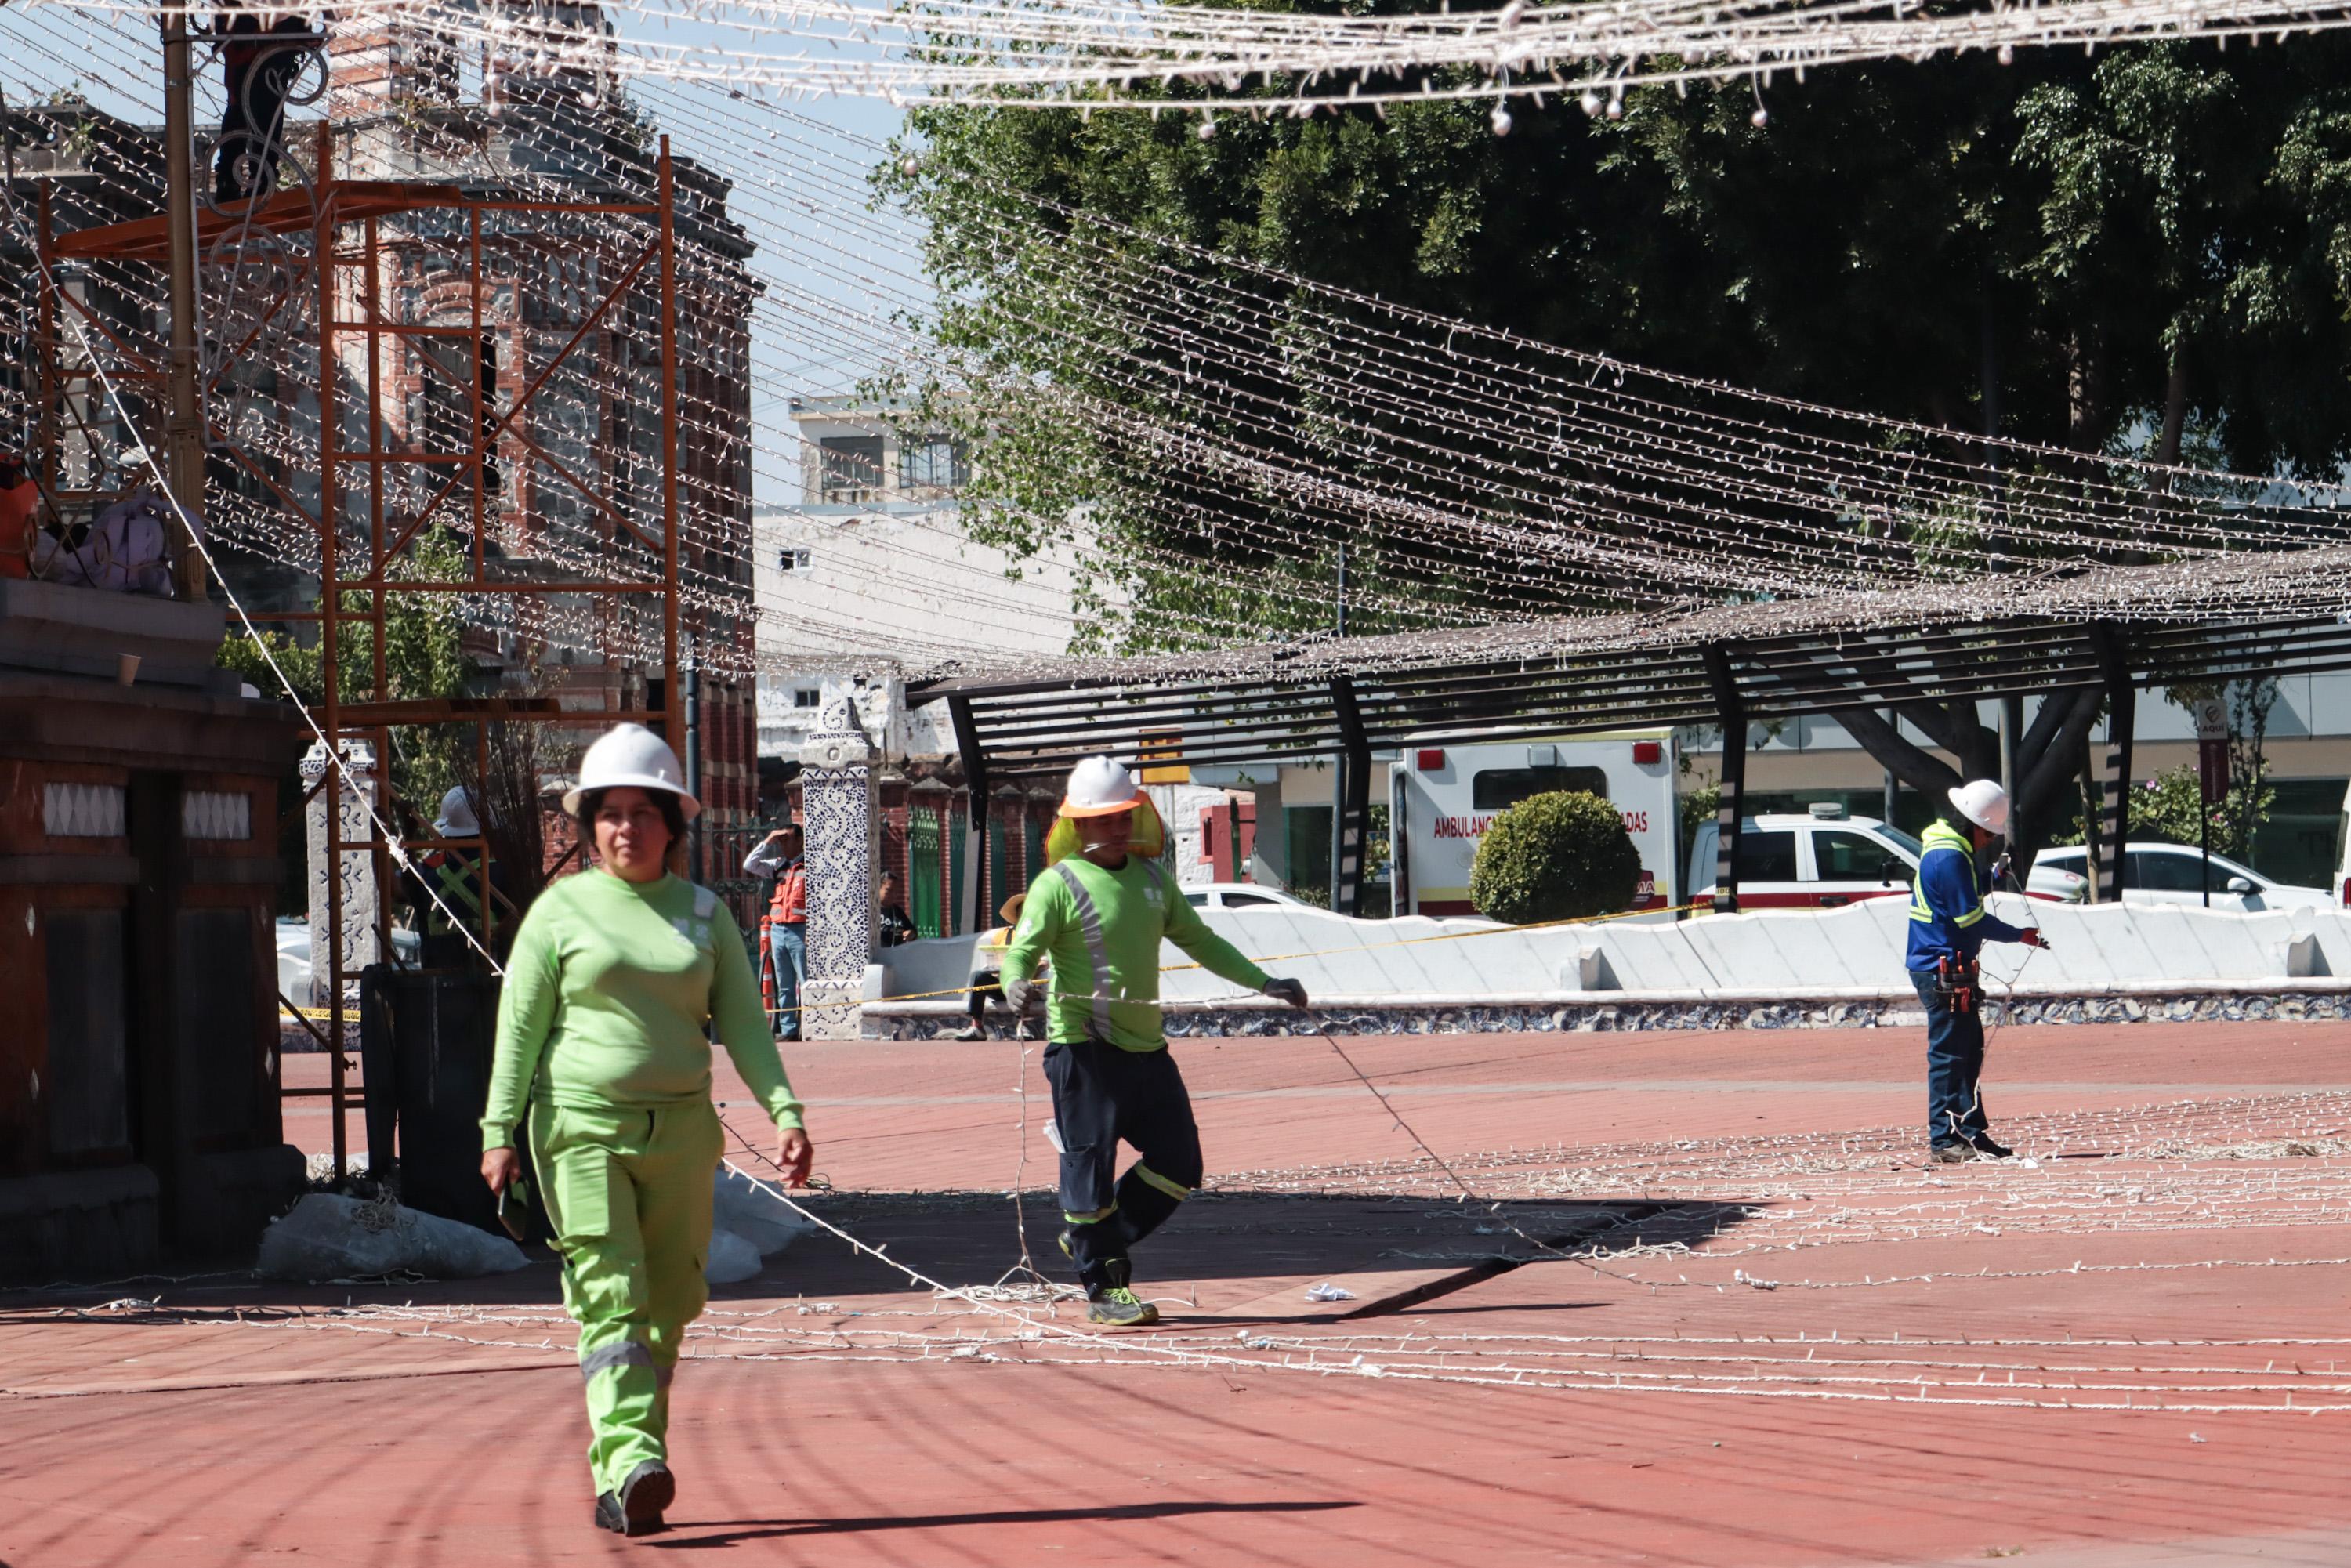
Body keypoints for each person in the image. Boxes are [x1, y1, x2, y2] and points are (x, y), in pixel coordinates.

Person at [480, 722, 814, 1538]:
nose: (626, 827)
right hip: (580, 1130)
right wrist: (498, 1128)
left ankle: (624, 1476)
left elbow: (745, 1026)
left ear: (673, 825)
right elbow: (519, 1028)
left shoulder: (704, 916)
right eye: (610, 813)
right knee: (613, 1295)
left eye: (643, 812)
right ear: (590, 825)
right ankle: (634, 1456)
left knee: (669, 1303)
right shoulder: (559, 913)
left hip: (682, 1136)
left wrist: (786, 1112)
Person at [1000, 756, 1309, 1327]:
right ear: (1078, 825)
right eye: (1103, 819)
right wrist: (1013, 982)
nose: (1117, 828)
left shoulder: (1152, 881)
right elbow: (1022, 950)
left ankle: (1096, 1238)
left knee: (1179, 1161)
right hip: (1083, 1049)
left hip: (1147, 1050)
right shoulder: (1056, 884)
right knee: (1090, 1171)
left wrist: (1265, 982)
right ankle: (1105, 1288)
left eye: (1124, 816)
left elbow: (1202, 941)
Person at [1907, 779, 2049, 1165]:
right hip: (1939, 968)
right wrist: (2019, 935)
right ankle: (1943, 1140)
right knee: (1949, 1056)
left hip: (1950, 966)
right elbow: (1970, 918)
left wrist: (1994, 878)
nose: (1989, 841)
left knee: (1968, 1051)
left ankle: (1970, 1131)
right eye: (1988, 833)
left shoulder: (1950, 848)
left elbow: (1964, 892)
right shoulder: (1949, 856)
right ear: (1973, 825)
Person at [741, 820, 806, 1041]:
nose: (783, 844)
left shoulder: (809, 865)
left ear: (800, 840)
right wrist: (768, 841)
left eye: (787, 839)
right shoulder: (778, 865)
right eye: (781, 840)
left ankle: (809, 1026)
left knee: (805, 982)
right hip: (778, 929)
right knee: (784, 983)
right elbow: (750, 864)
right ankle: (789, 1030)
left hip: (801, 930)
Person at [955, 893, 1042, 1042]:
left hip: (1028, 984)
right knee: (978, 976)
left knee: (1018, 980)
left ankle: (1023, 1026)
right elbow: (994, 958)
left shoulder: (1040, 935)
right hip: (1002, 982)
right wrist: (994, 967)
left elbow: (1045, 961)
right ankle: (977, 1027)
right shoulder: (1002, 935)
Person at [876, 870, 915, 948]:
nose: (893, 894)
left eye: (895, 891)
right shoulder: (872, 911)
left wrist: (910, 934)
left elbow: (912, 931)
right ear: (878, 889)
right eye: (889, 890)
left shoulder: (897, 911)